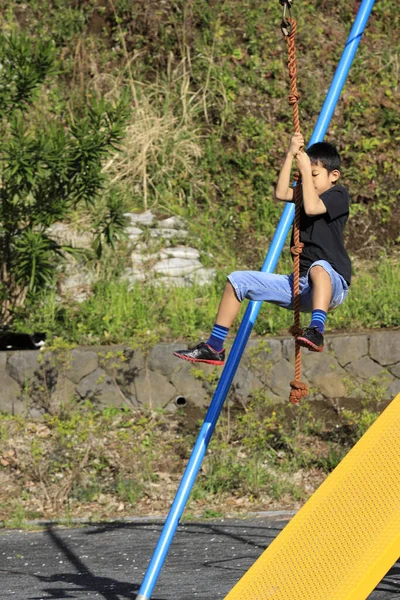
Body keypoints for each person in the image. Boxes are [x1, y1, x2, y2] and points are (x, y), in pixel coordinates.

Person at [174, 133, 351, 365]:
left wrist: (306, 172)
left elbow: (312, 207)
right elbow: (280, 193)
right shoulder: (307, 192)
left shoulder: (338, 194)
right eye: (310, 174)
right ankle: (214, 346)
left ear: (334, 175)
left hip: (332, 284)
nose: (311, 179)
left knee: (319, 268)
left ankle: (317, 330)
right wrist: (290, 155)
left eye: (316, 174)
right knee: (237, 281)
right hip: (302, 285)